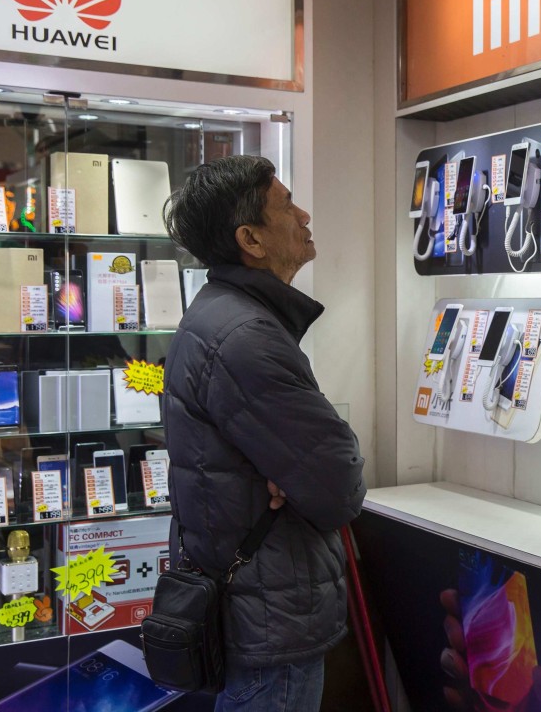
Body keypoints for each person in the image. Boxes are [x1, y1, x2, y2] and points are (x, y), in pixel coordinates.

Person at [161, 155, 366, 711]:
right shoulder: (245, 336)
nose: (303, 215)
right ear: (250, 238)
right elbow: (337, 482)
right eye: (285, 205)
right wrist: (296, 475)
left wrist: (287, 473)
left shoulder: (222, 316)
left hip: (253, 606)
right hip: (268, 618)